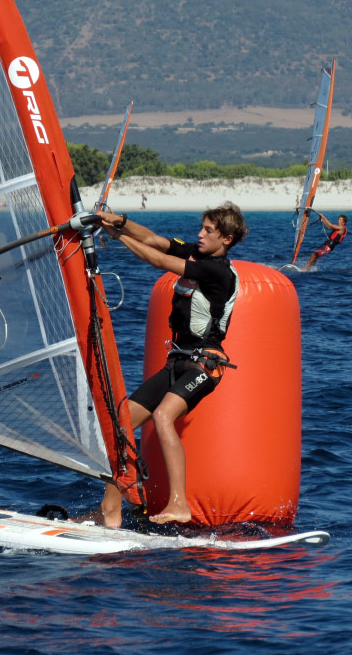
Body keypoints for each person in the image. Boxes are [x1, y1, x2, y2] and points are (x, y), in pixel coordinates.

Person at [92, 201, 248, 527]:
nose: (200, 234)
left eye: (208, 230)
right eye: (201, 228)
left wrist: (115, 237)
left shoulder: (216, 271)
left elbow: (157, 259)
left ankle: (179, 504)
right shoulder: (197, 254)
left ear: (227, 239)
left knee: (163, 416)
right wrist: (117, 222)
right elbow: (154, 241)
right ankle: (110, 510)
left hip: (203, 367)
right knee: (119, 425)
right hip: (175, 363)